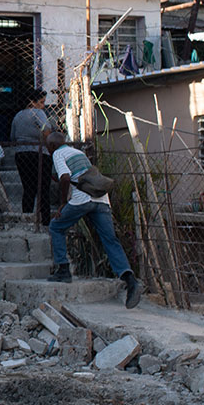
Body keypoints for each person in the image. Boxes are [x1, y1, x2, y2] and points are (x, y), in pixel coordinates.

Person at [44, 129, 141, 308]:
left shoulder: (58, 154)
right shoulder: (78, 152)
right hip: (102, 201)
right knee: (110, 240)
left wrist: (63, 203)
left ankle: (63, 269)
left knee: (56, 227)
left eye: (47, 146)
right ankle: (130, 279)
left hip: (82, 199)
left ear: (51, 146)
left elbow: (65, 178)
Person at [9, 89, 53, 227]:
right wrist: (49, 145)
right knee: (43, 188)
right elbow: (46, 130)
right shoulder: (38, 113)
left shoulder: (17, 116)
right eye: (41, 102)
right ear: (32, 102)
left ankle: (27, 219)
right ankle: (45, 221)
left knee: (28, 188)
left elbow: (12, 137)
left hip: (21, 155)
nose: (43, 106)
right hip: (39, 154)